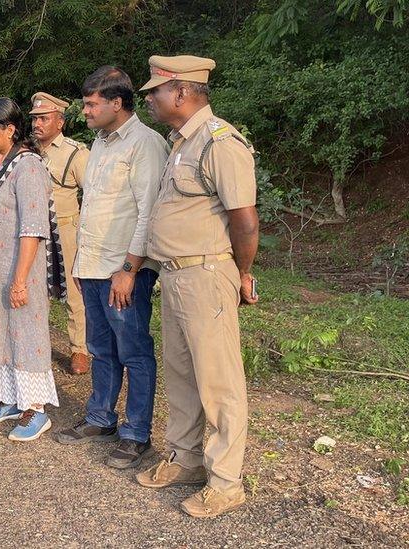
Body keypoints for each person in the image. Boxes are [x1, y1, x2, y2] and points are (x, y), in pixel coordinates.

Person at [135, 55, 259, 518]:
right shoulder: (181, 143)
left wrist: (241, 275)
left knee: (219, 382)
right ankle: (186, 458)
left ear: (182, 92)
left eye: (156, 91)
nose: (150, 99)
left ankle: (226, 482)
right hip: (175, 275)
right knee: (183, 374)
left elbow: (244, 220)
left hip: (206, 275)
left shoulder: (220, 143)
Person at [53, 67, 169, 471]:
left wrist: (129, 270)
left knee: (134, 351)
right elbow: (95, 210)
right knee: (101, 349)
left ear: (116, 103)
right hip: (94, 267)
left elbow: (147, 214)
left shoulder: (145, 144)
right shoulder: (100, 144)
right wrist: (81, 265)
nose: (84, 111)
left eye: (91, 104)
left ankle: (136, 434)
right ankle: (101, 418)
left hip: (123, 271)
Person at [0, 98, 62, 442]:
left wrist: (21, 279)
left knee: (25, 333)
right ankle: (9, 398)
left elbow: (33, 228)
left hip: (18, 268)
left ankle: (35, 409)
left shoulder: (28, 166)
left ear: (10, 130)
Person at [29, 91, 91, 375]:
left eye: (44, 118)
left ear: (60, 122)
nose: (37, 124)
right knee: (34, 289)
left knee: (74, 290)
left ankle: (79, 348)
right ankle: (36, 345)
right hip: (33, 230)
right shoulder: (27, 151)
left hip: (66, 228)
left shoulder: (74, 153)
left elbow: (92, 194)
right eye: (35, 119)